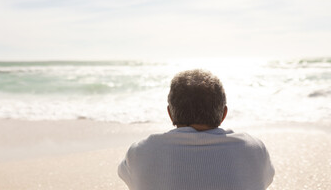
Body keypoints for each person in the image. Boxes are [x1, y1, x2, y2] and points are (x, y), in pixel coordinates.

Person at [118, 69, 275, 190]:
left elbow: (127, 176)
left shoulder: (141, 150)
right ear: (224, 114)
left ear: (170, 114)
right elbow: (265, 180)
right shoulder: (253, 148)